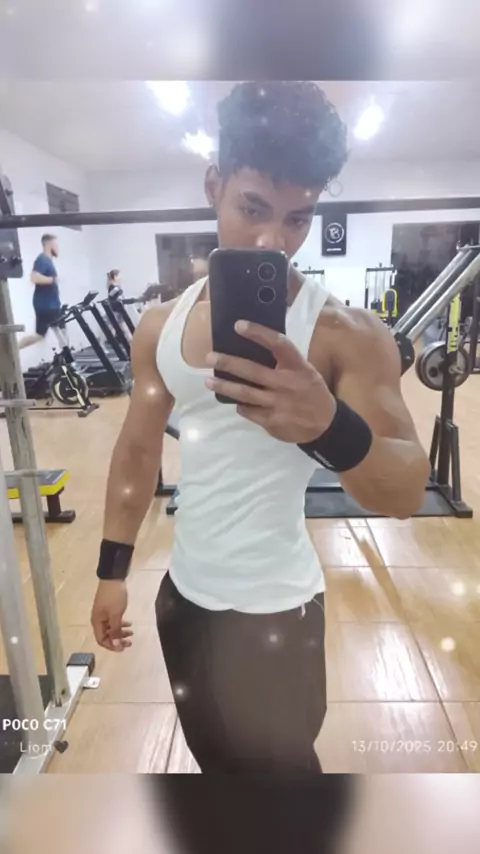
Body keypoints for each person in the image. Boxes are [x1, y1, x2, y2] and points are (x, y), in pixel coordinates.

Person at [90, 82, 430, 774]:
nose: (274, 240)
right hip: (183, 599)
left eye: (298, 219)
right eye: (253, 208)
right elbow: (137, 450)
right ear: (213, 185)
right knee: (218, 774)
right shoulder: (159, 325)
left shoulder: (345, 335)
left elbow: (404, 490)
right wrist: (111, 570)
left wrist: (328, 424)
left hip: (278, 610)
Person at [18, 234, 68, 351]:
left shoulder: (47, 260)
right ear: (50, 245)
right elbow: (34, 278)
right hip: (46, 305)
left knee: (41, 335)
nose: (58, 248)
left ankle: (14, 348)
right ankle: (68, 357)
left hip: (50, 304)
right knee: (60, 330)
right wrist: (53, 280)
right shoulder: (43, 259)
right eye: (56, 245)